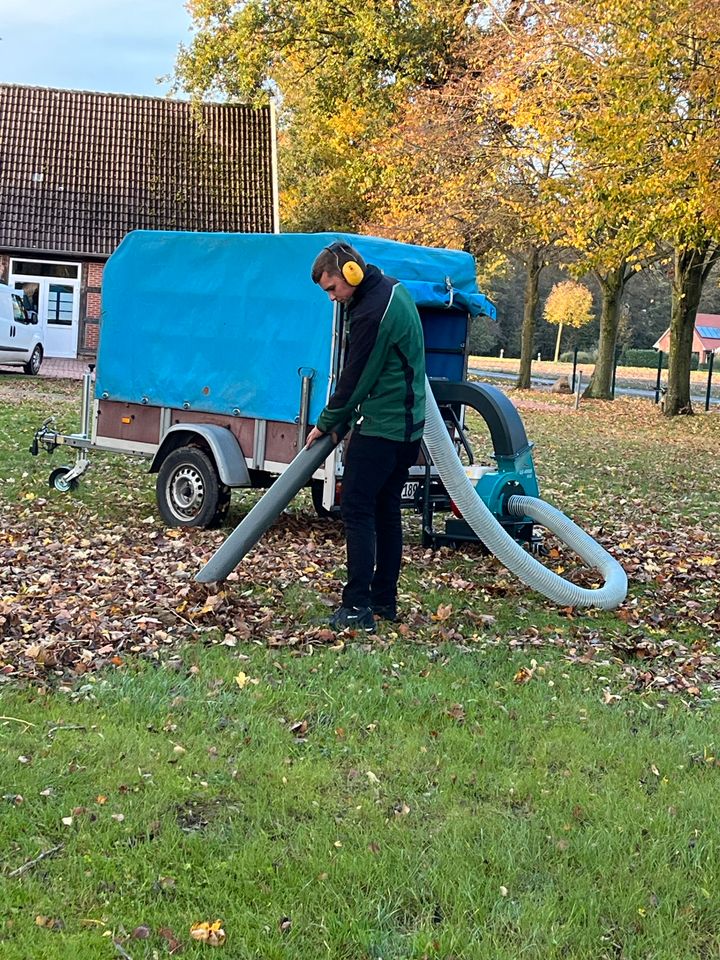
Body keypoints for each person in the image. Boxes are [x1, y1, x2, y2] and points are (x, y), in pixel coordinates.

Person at [306, 241, 426, 631]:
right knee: (386, 510)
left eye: (332, 288)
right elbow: (379, 372)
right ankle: (383, 601)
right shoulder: (392, 289)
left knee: (357, 509)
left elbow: (356, 376)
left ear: (352, 274)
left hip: (382, 428)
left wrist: (327, 421)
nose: (332, 298)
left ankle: (357, 607)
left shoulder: (373, 312)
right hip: (408, 431)